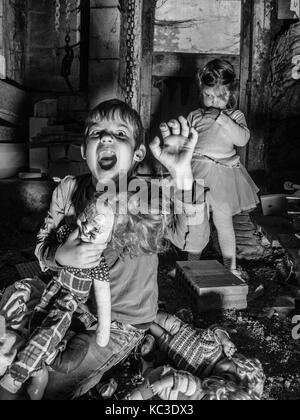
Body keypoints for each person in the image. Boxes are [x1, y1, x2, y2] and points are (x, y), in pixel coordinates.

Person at [0, 99, 209, 400]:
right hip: (67, 302)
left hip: (122, 322)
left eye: (120, 134)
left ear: (138, 153)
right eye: (96, 132)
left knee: (46, 384)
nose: (106, 138)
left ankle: (106, 370)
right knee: (14, 330)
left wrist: (182, 173)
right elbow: (42, 248)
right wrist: (59, 255)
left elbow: (195, 241)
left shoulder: (146, 195)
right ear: (84, 150)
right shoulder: (69, 189)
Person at [185, 59, 259, 276]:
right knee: (196, 222)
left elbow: (242, 139)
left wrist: (222, 119)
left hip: (223, 176)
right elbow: (186, 143)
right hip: (197, 174)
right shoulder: (195, 116)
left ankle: (231, 267)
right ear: (201, 92)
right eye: (208, 95)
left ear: (231, 93)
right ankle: (191, 264)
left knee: (223, 221)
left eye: (220, 96)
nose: (214, 101)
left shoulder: (234, 117)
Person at [126, 313, 265, 401]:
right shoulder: (217, 351)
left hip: (169, 347)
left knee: (150, 329)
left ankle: (145, 353)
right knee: (152, 316)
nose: (220, 375)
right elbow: (214, 330)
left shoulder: (206, 379)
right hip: (177, 328)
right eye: (228, 373)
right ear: (238, 362)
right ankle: (141, 314)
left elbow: (188, 382)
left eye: (224, 378)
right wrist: (224, 339)